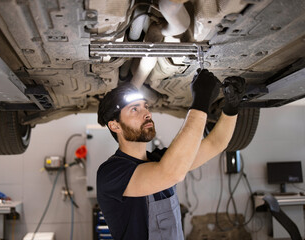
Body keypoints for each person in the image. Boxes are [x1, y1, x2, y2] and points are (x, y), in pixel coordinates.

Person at [96, 69, 246, 240]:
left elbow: (215, 144)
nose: (147, 113)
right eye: (134, 109)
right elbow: (171, 173)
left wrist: (232, 107)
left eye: (145, 106)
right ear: (115, 126)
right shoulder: (111, 173)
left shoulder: (161, 160)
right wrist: (201, 99)